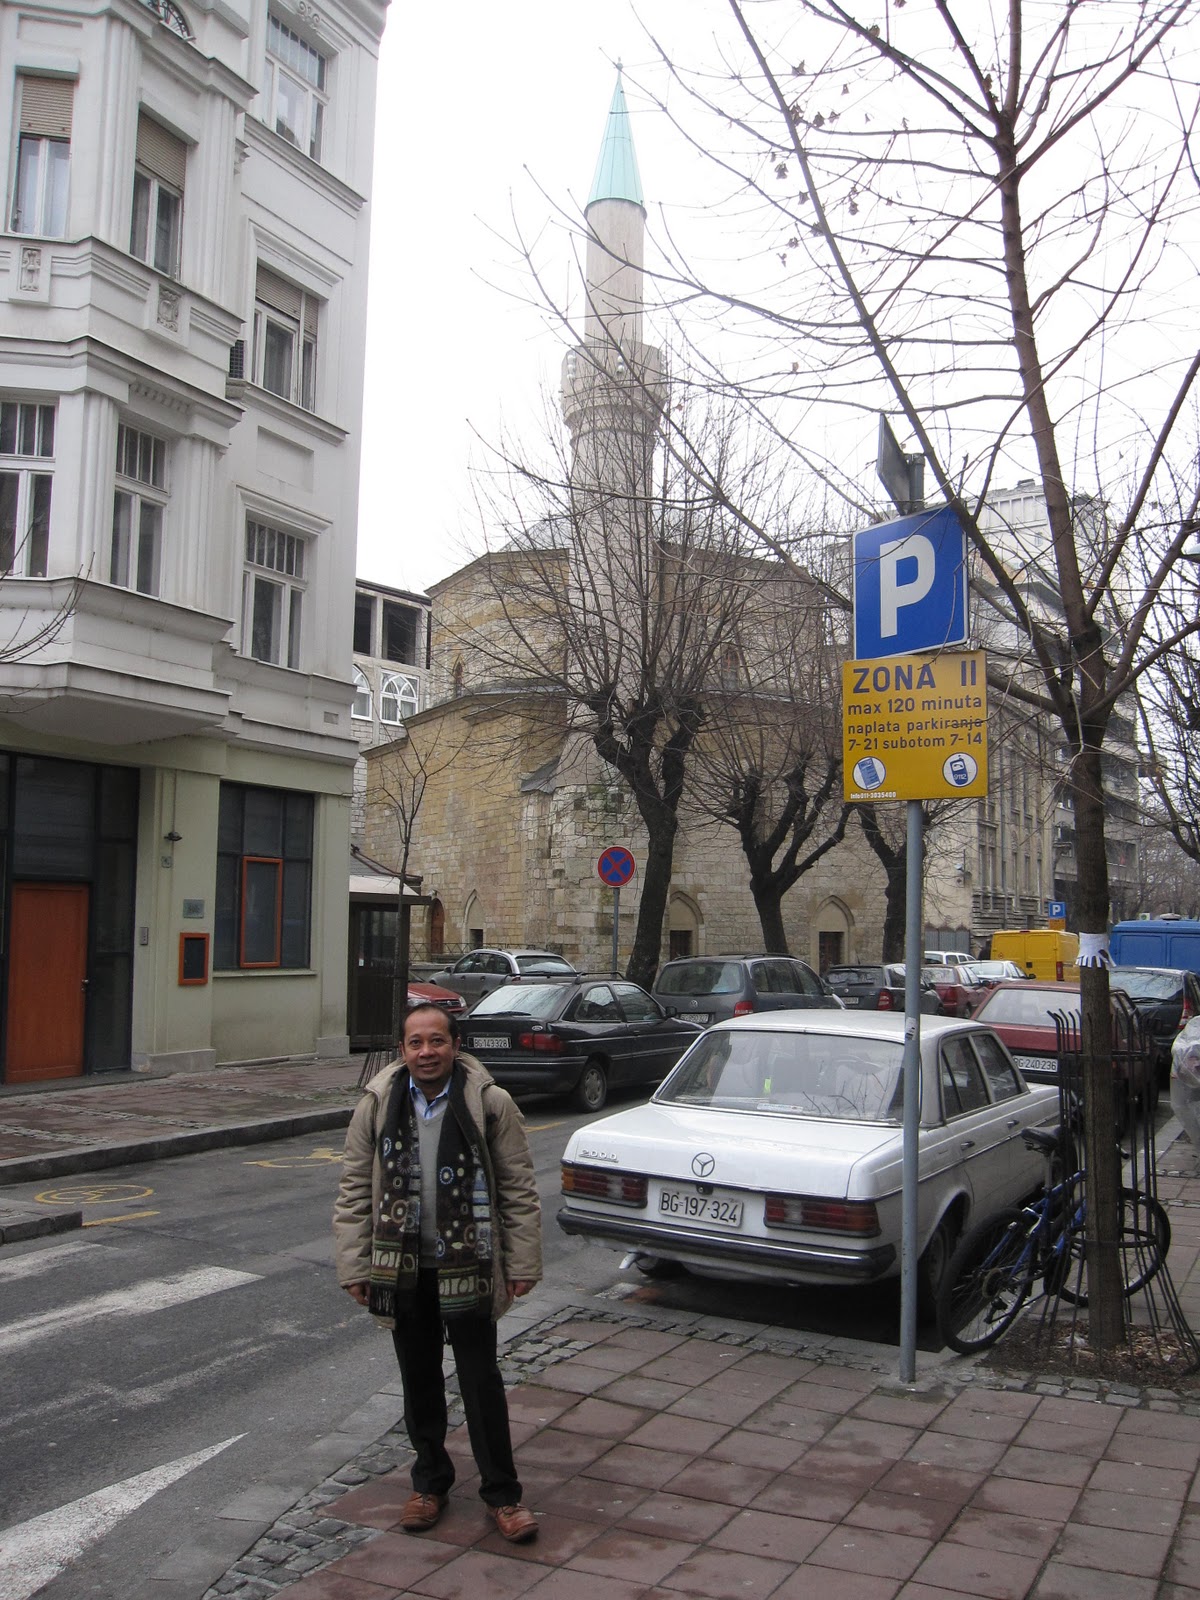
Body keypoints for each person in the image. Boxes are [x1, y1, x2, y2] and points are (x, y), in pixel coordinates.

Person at [333, 1002, 542, 1542]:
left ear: (455, 1046)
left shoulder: (488, 1103)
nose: (427, 1052)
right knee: (419, 1380)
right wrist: (355, 1264)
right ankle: (429, 1484)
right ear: (402, 1050)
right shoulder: (378, 1103)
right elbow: (354, 1189)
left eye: (437, 1041)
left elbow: (518, 1187)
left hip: (470, 1264)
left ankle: (503, 1495)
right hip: (402, 1269)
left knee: (480, 1380)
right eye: (416, 1043)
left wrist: (521, 1262)